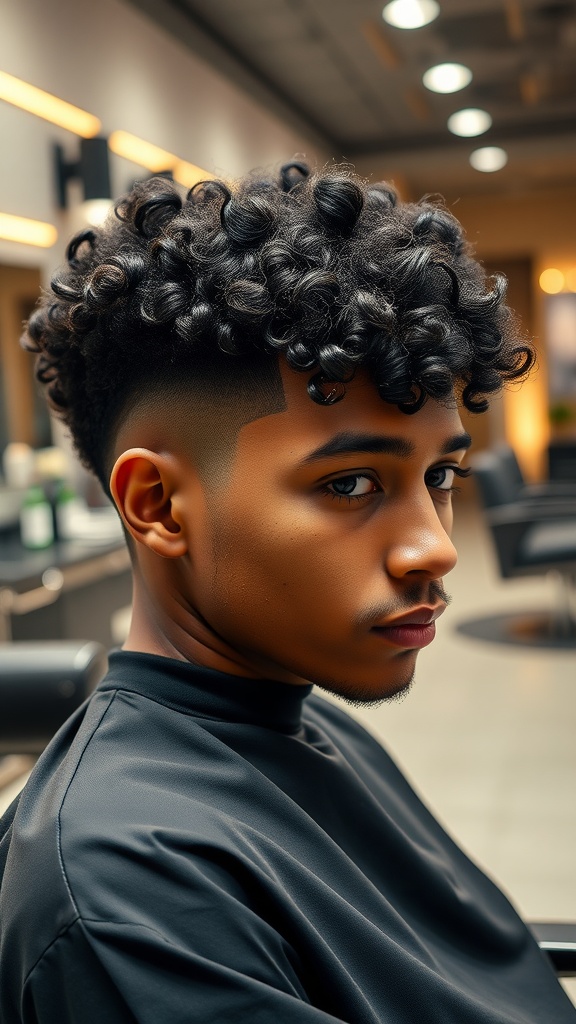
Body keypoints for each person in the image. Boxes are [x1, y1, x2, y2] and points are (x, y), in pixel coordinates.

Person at [0, 163, 573, 1023]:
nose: (436, 548)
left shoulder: (308, 714)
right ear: (156, 506)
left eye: (443, 474)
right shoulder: (128, 890)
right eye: (350, 484)